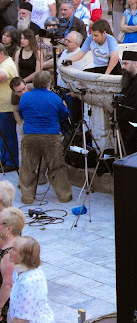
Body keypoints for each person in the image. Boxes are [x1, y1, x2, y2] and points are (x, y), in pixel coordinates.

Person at [18, 71, 72, 204]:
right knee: (57, 166)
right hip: (51, 136)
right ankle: (64, 195)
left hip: (30, 135)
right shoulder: (54, 98)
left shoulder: (25, 97)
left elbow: (21, 112)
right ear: (49, 83)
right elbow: (65, 115)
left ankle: (27, 197)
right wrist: (64, 107)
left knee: (27, 167)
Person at [7, 236, 55, 323]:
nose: (9, 251)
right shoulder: (19, 269)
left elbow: (20, 319)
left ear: (24, 256)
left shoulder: (28, 282)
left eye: (13, 249)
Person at [0, 207, 25, 319]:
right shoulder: (14, 244)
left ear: (8, 229)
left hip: (7, 307)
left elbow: (7, 285)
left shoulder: (9, 254)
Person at [0, 44, 19, 171]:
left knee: (8, 136)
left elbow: (1, 76)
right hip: (2, 108)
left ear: (1, 54)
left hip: (6, 108)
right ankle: (3, 160)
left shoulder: (7, 64)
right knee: (2, 136)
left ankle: (11, 162)